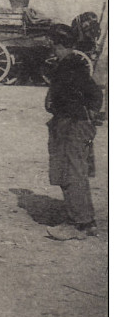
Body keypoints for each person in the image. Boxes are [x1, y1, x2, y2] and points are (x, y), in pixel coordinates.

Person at [45, 27, 103, 237]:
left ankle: (78, 224)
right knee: (76, 171)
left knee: (71, 172)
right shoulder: (74, 65)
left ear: (57, 44)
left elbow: (93, 94)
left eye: (52, 44)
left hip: (72, 125)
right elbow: (95, 95)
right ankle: (86, 221)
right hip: (73, 124)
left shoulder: (69, 66)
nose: (51, 48)